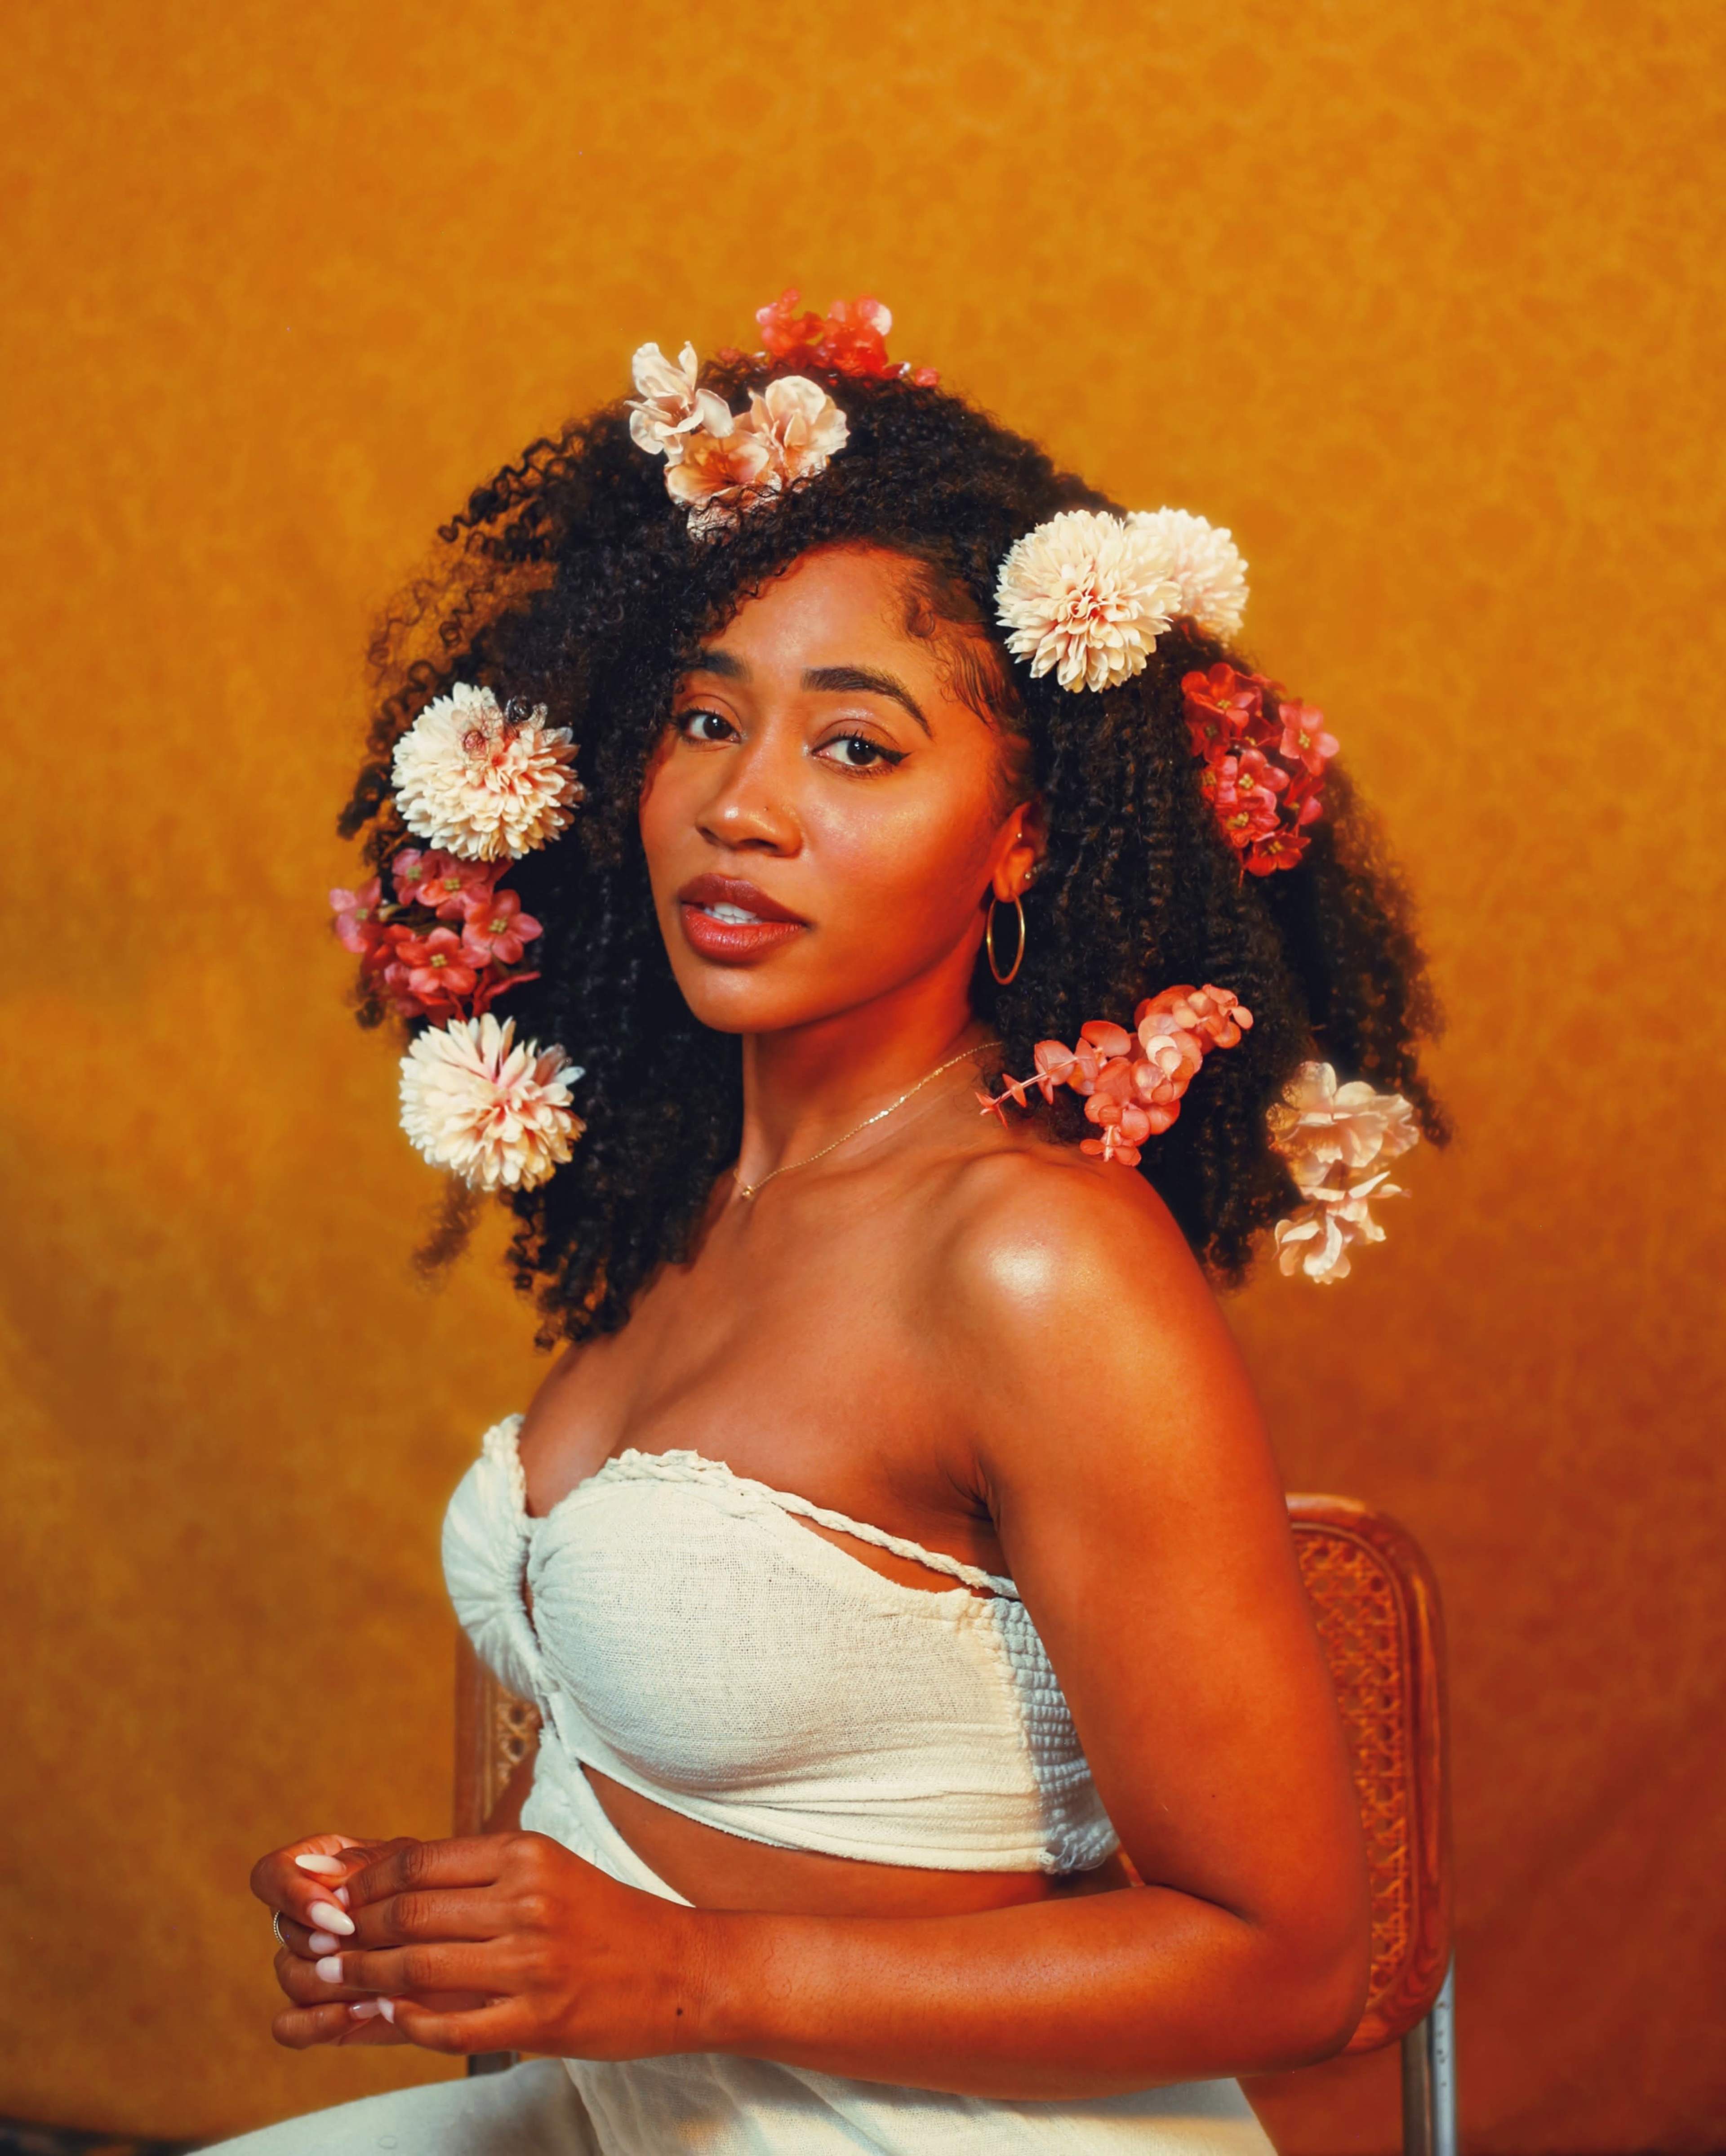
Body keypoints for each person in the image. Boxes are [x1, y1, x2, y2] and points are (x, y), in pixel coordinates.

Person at [231, 291, 1446, 2153]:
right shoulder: (685, 1210)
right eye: (705, 719)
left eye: (858, 749)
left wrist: (684, 1971)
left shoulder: (1031, 1261)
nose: (743, 805)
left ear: (1022, 835)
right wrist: (444, 1924)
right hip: (619, 2110)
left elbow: (1285, 1957)